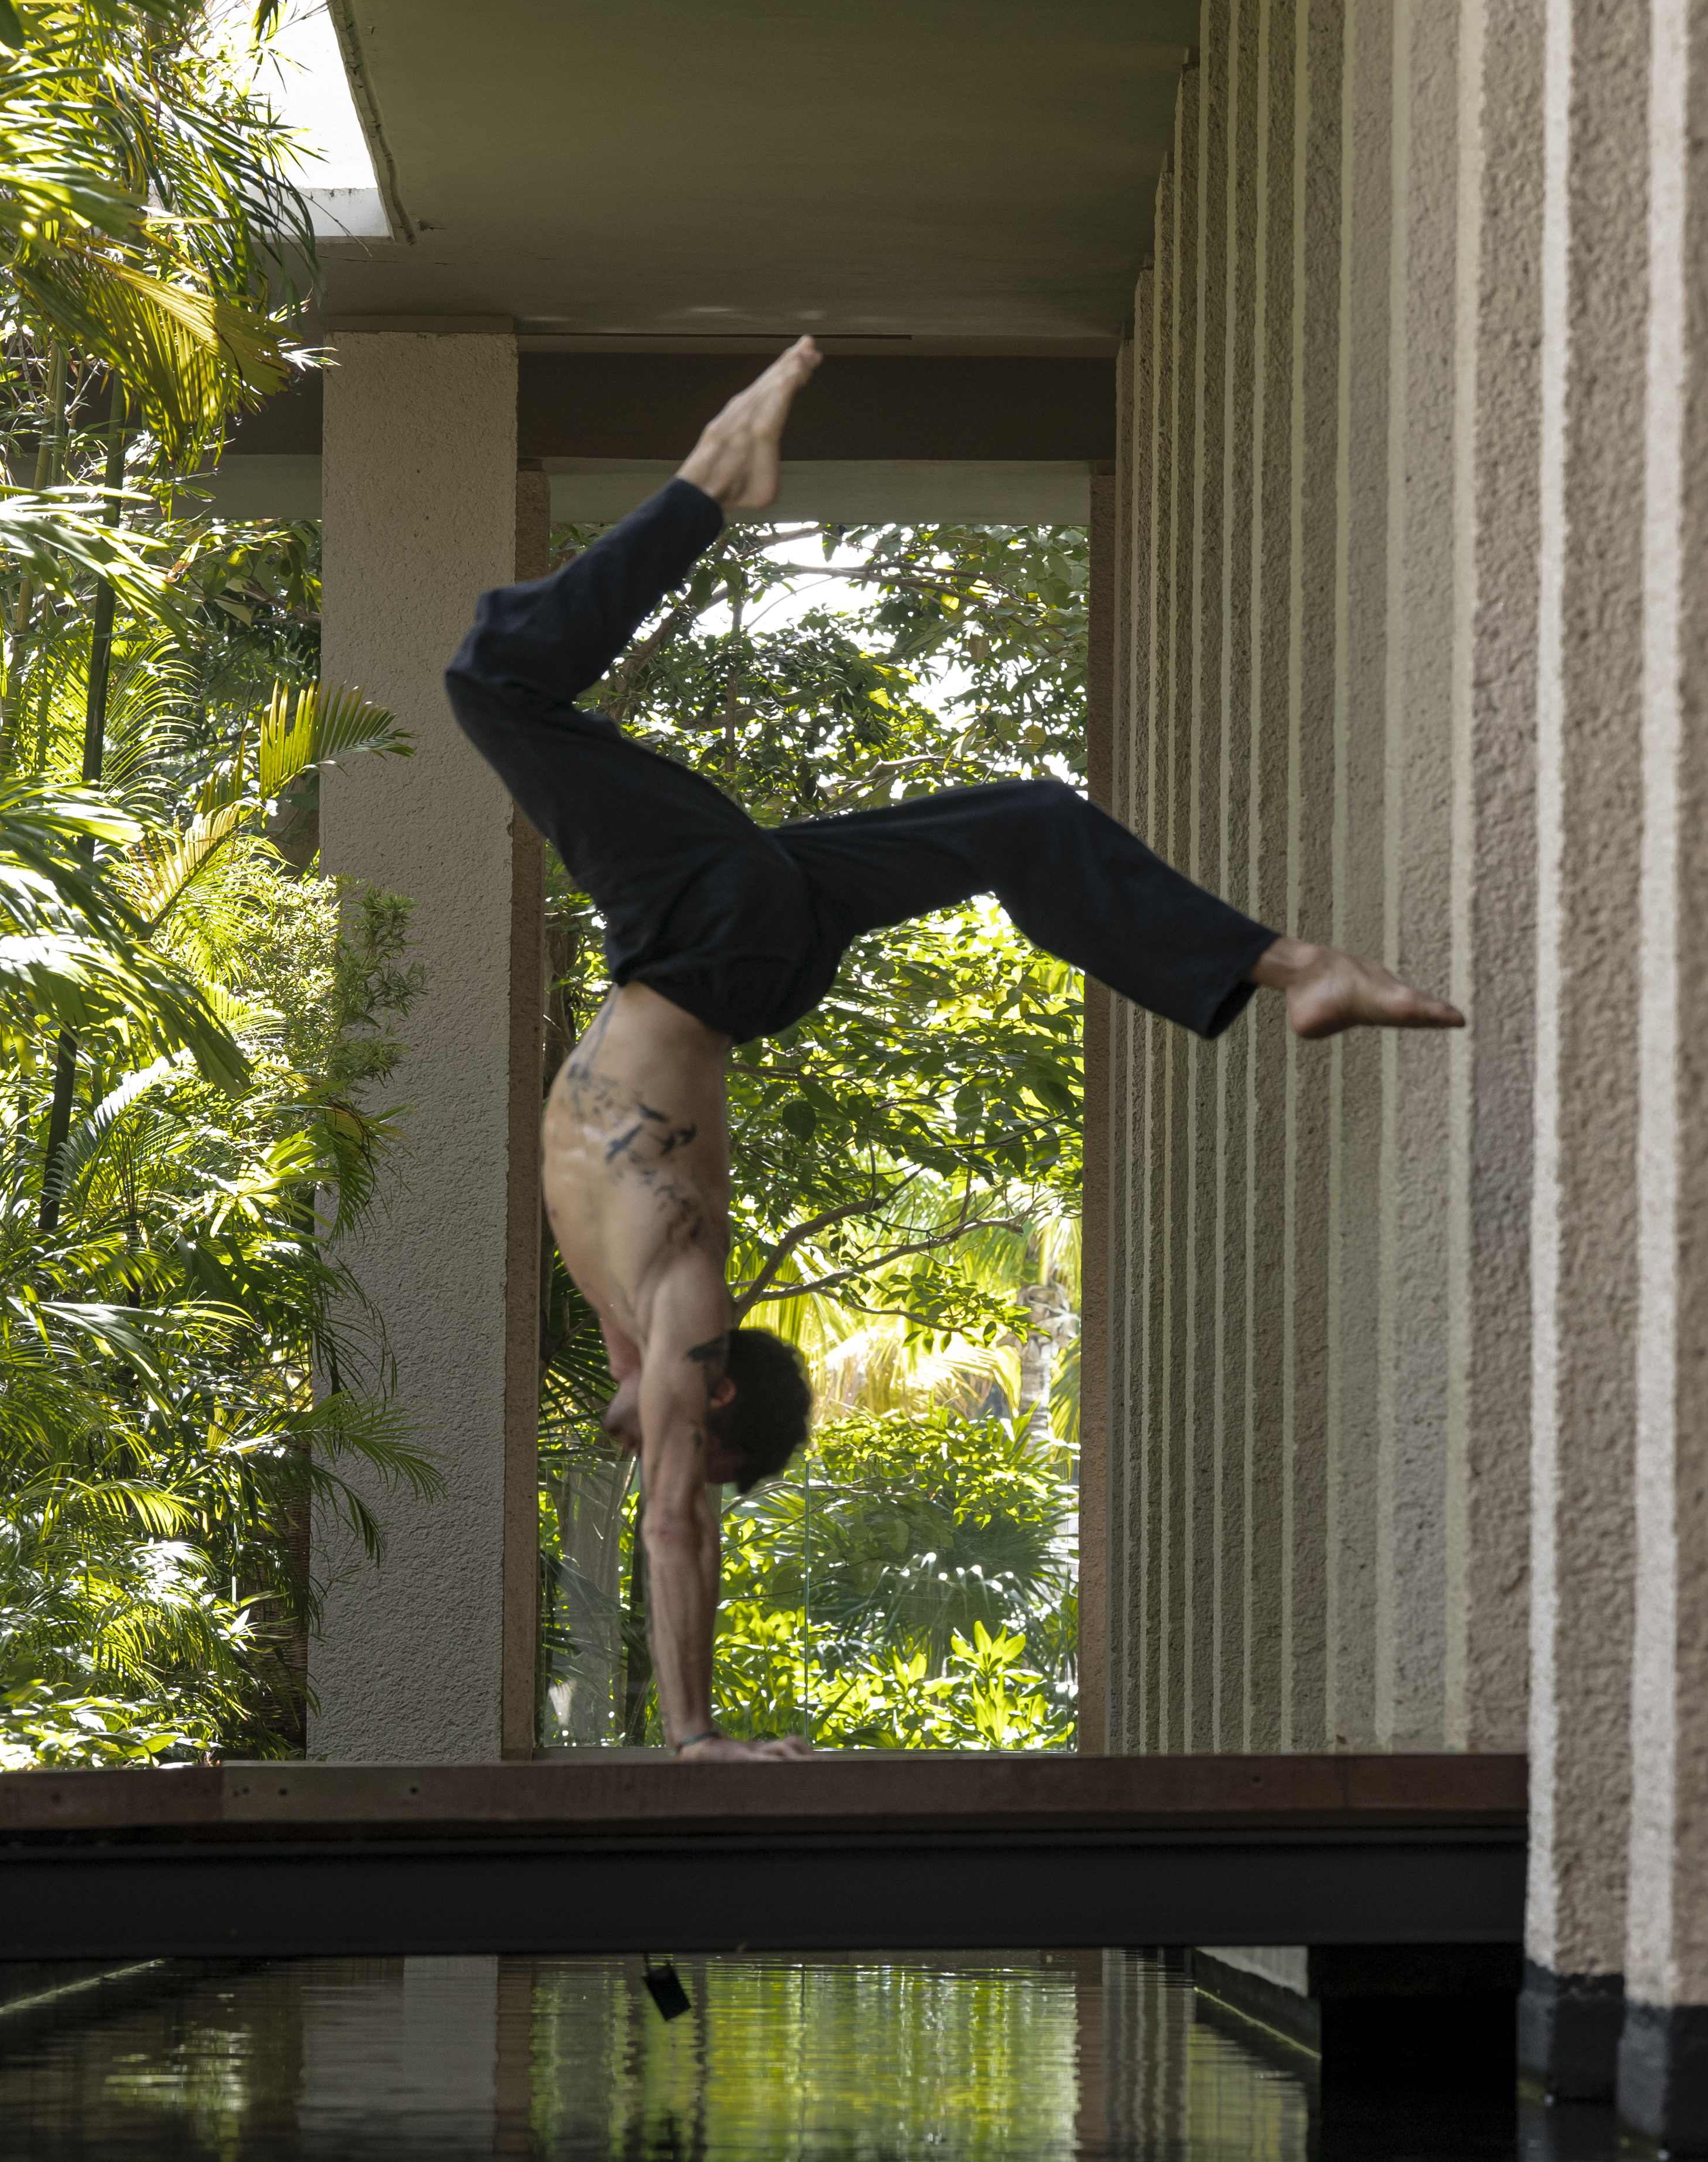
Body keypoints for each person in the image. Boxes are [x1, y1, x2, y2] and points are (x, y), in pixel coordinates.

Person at [444, 337, 1462, 1762]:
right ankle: (712, 484)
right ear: (715, 1388)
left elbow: (672, 1482)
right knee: (495, 679)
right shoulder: (675, 1301)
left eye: (671, 1440)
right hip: (713, 937)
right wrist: (695, 1736)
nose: (661, 1448)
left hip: (726, 942)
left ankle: (1300, 968)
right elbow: (673, 1525)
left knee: (1026, 826)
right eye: (699, 1436)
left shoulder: (639, 1306)